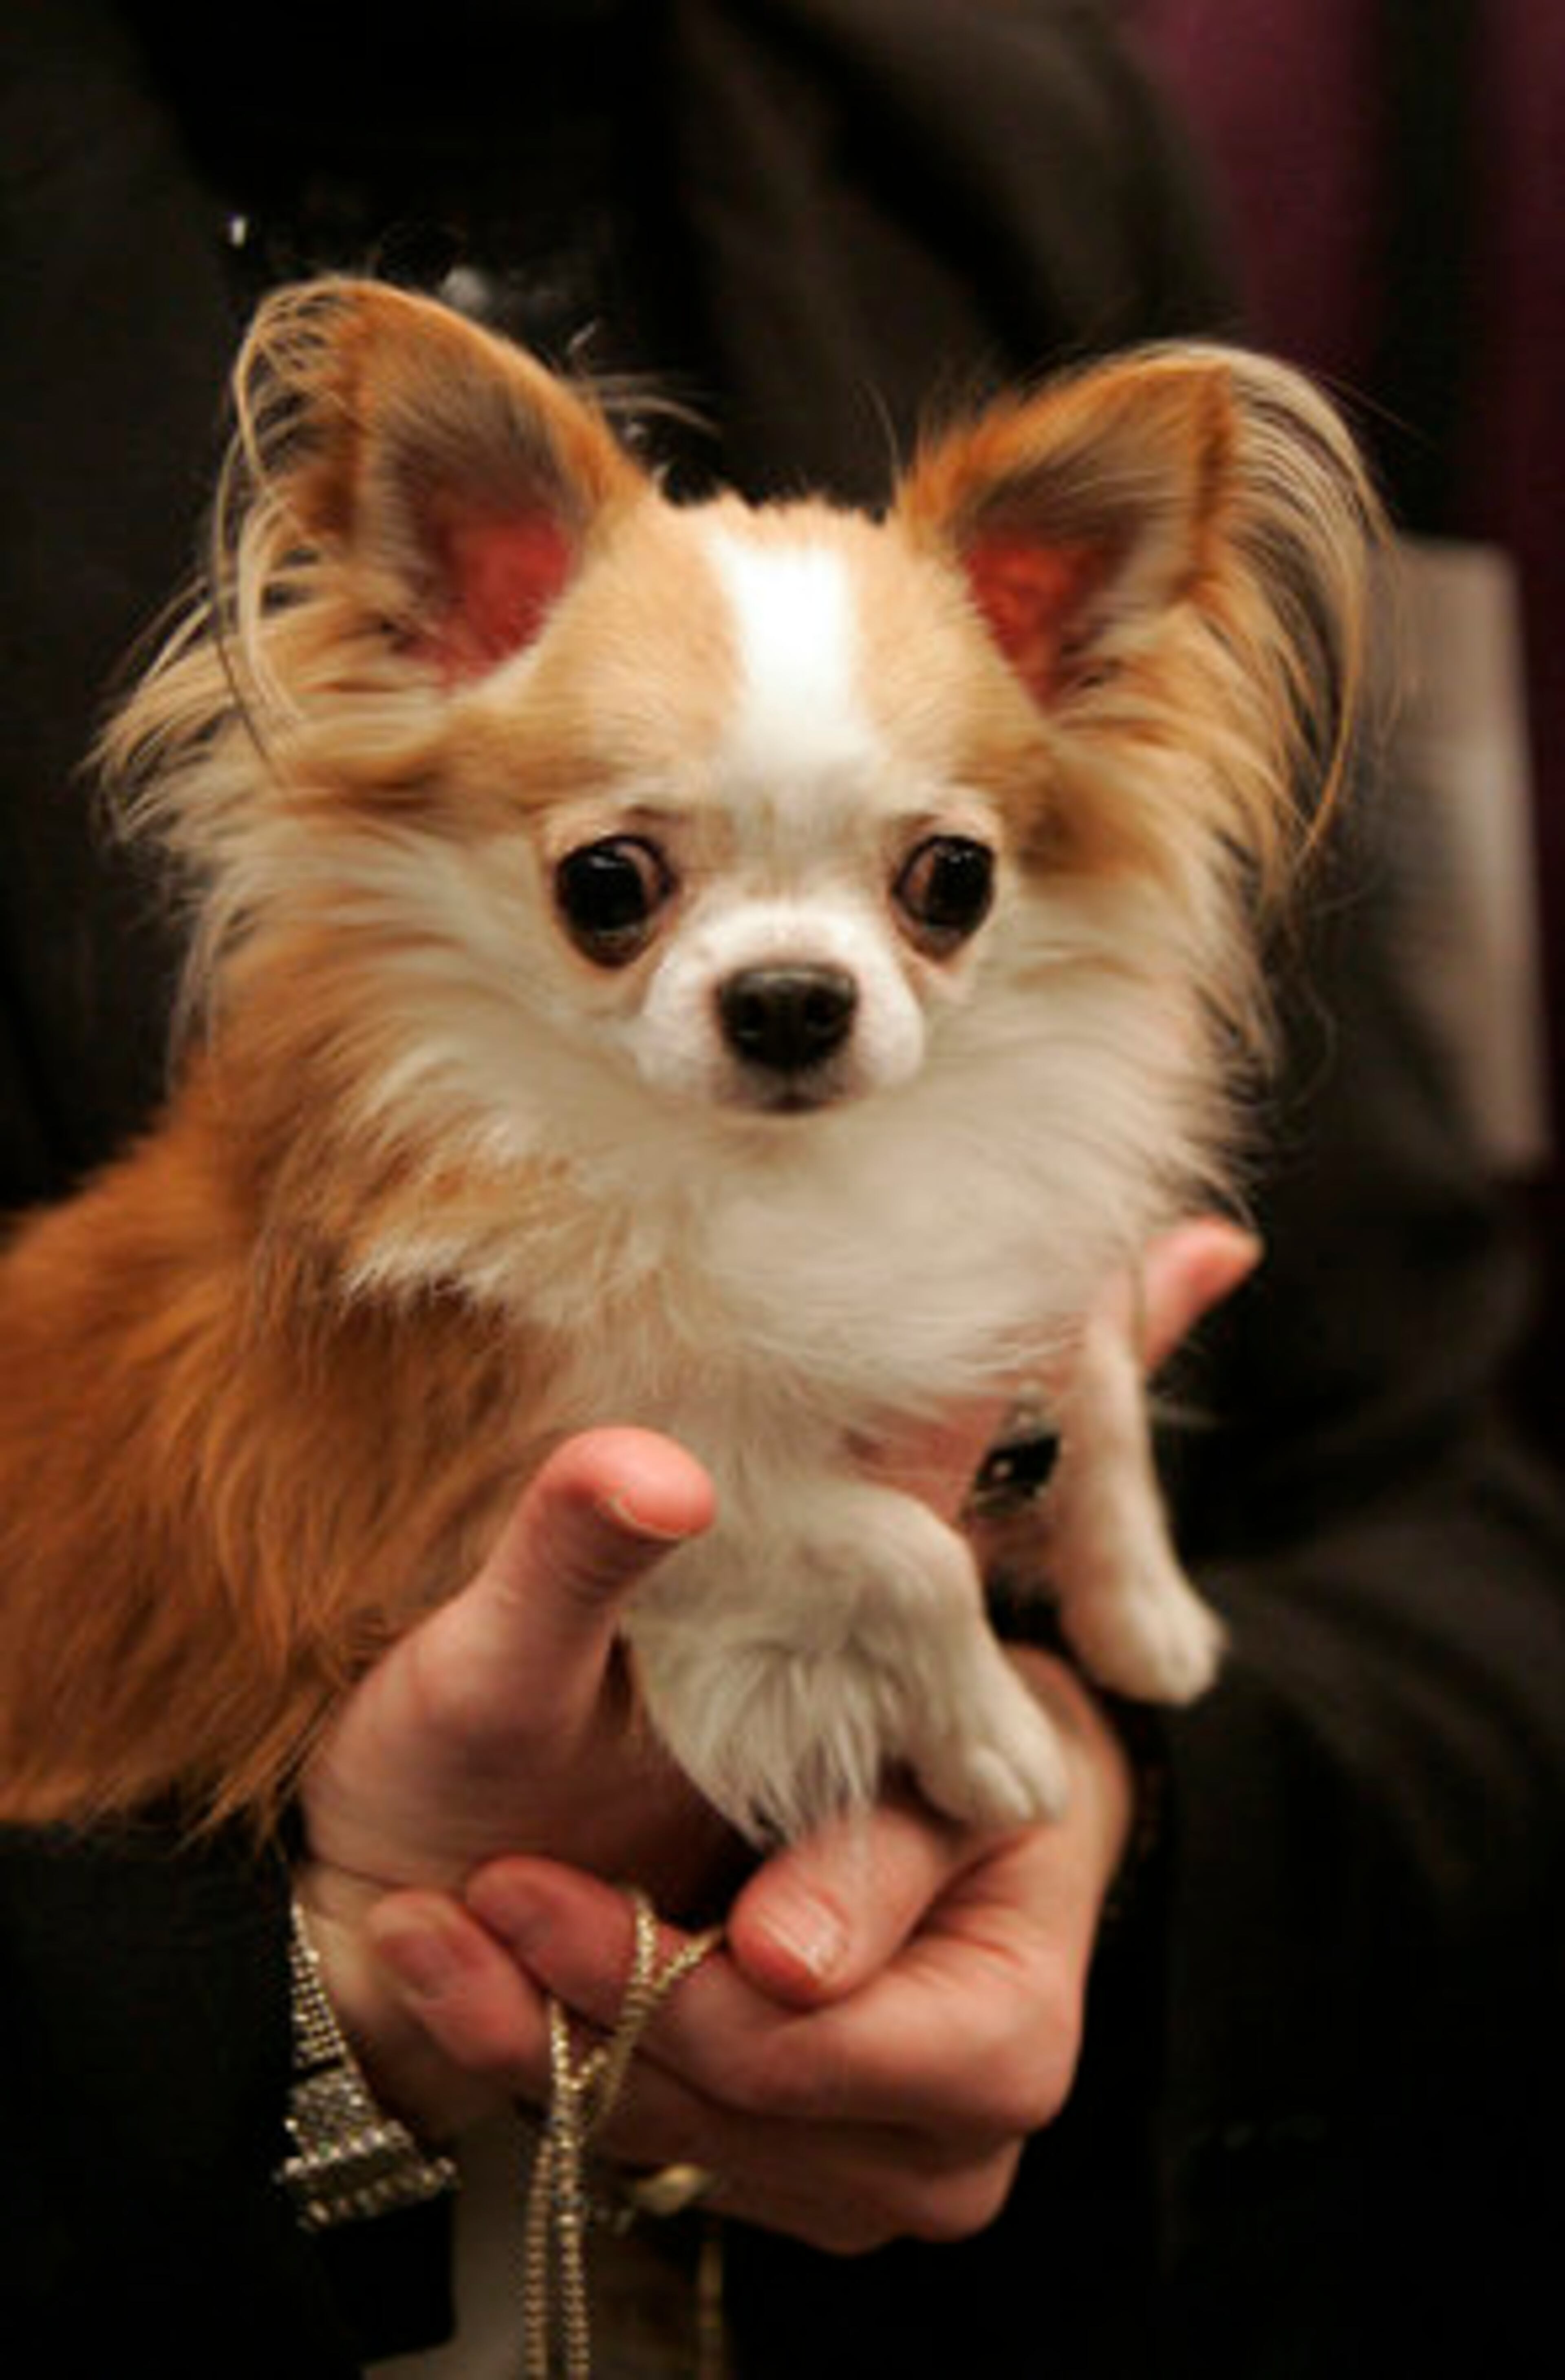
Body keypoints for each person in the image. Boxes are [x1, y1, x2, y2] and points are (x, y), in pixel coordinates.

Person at [2, 4, 1563, 2377]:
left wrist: (1092, 1861)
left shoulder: (1023, 128)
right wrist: (315, 2039)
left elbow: (1464, 1530)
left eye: (936, 884)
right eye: (622, 882)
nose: (798, 980)